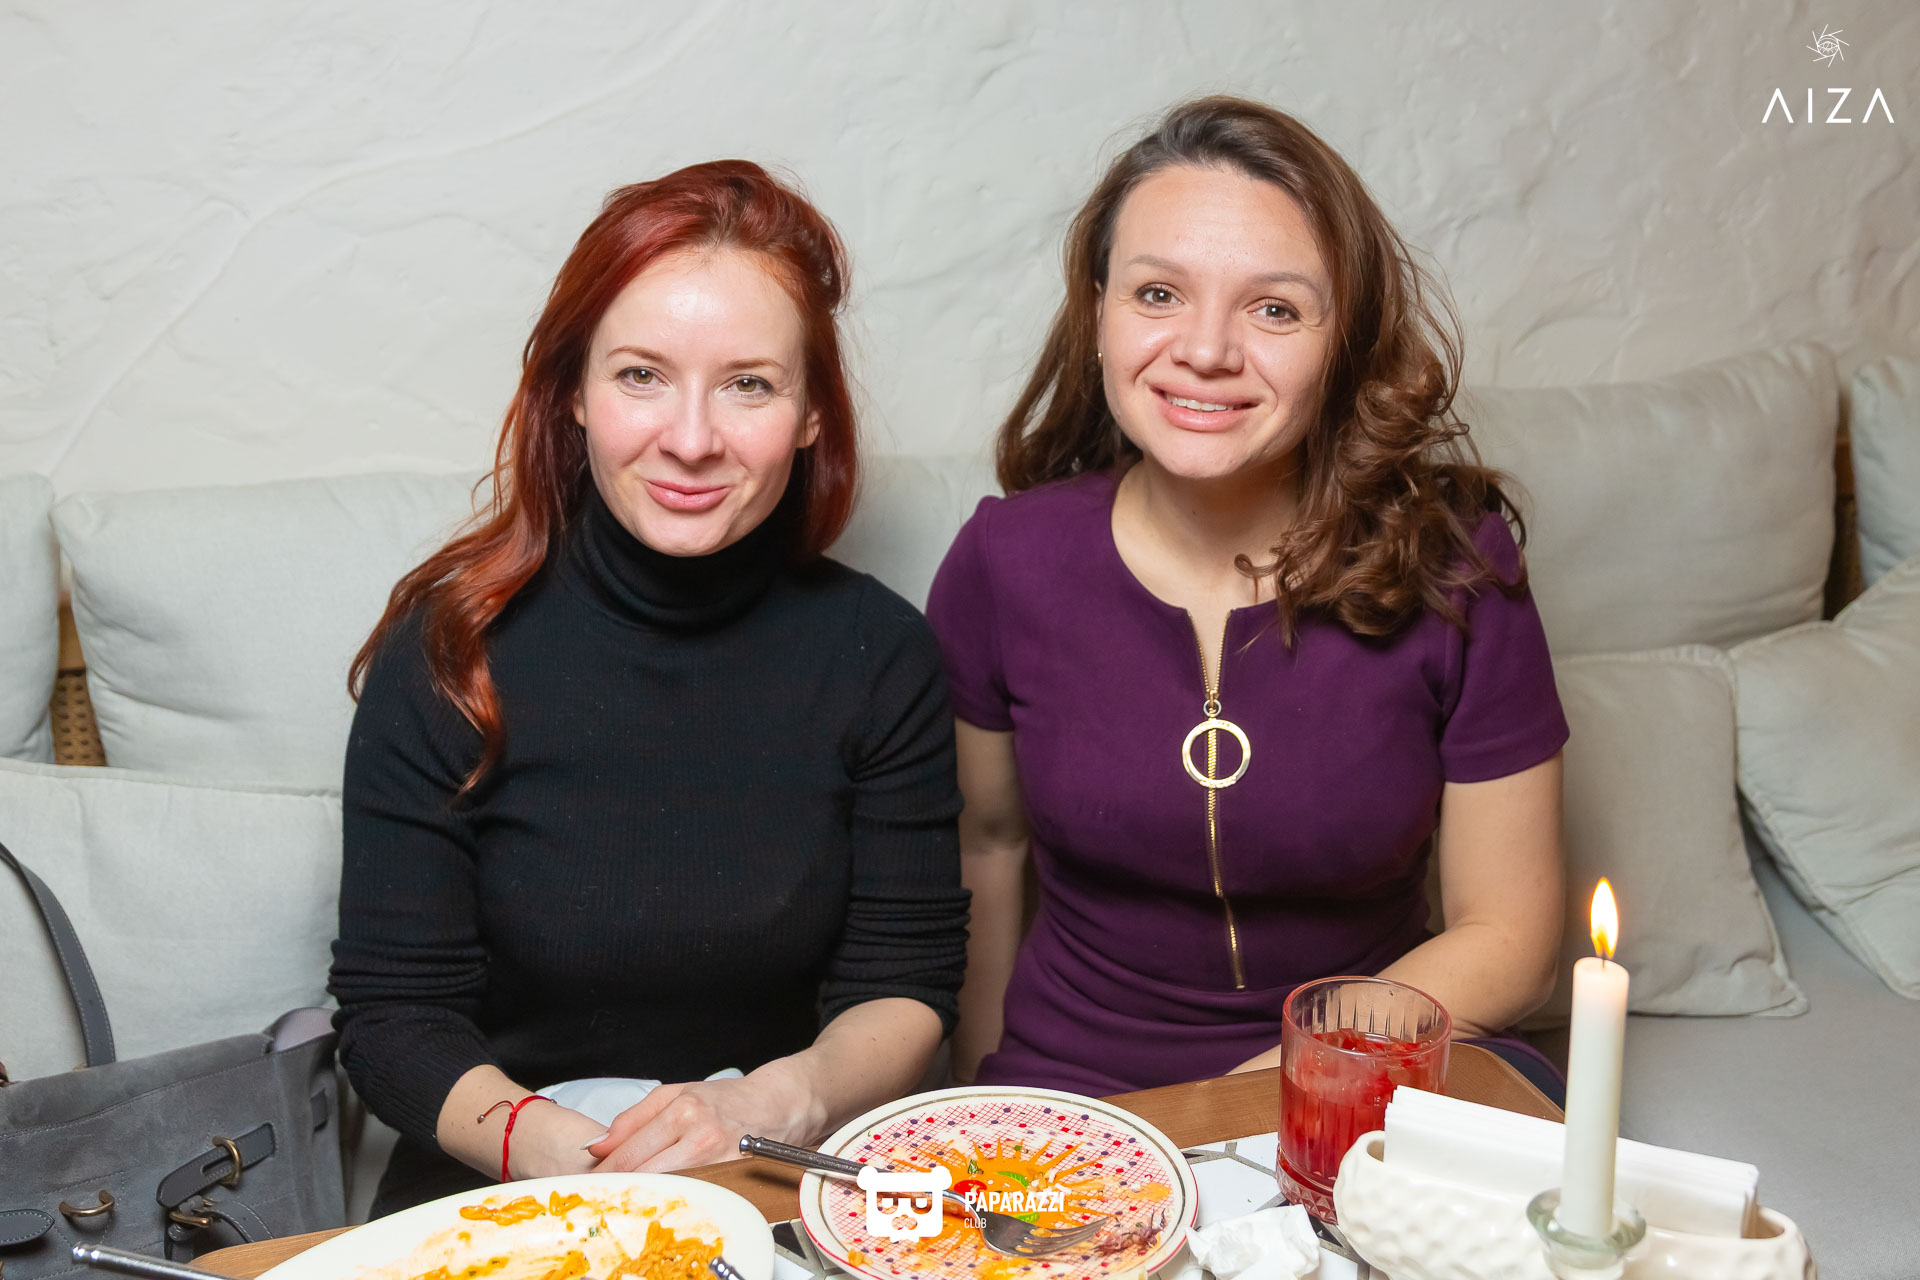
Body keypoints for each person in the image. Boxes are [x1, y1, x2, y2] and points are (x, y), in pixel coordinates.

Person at [329, 161, 970, 1215]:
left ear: (812, 413)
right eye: (641, 376)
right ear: (573, 394)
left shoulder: (880, 654)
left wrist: (771, 1105)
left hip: (768, 1167)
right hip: (505, 1180)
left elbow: (905, 986)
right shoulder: (448, 651)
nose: (692, 438)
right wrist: (572, 1158)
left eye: (749, 384)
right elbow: (392, 1019)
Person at [926, 96, 1568, 1101]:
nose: (1207, 350)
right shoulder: (1002, 562)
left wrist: (1260, 1096)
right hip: (1081, 1089)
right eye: (1158, 294)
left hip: (1367, 1071)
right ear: (1097, 311)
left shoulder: (1457, 566)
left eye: (1274, 309)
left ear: (1345, 339)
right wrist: (975, 1096)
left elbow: (1510, 936)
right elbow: (989, 845)